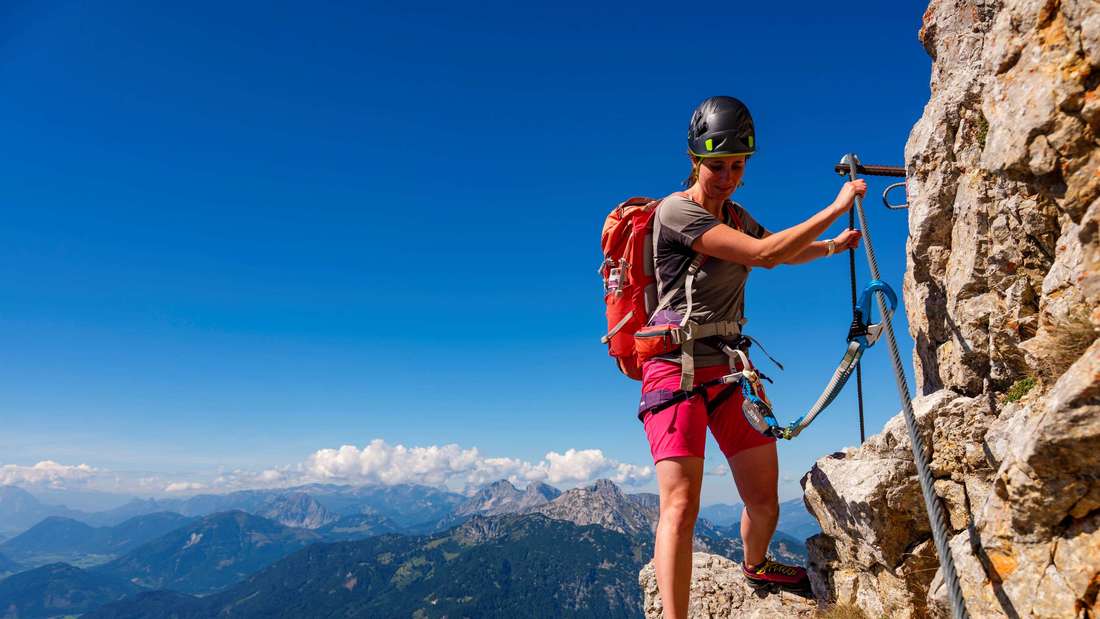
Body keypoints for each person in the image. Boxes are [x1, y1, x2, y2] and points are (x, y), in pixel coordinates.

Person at [642, 96, 864, 618]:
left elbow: (779, 251)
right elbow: (763, 254)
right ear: (695, 160)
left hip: (729, 369)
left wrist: (834, 245)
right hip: (674, 369)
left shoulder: (737, 216)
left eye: (738, 165)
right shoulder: (676, 212)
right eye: (717, 166)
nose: (728, 176)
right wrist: (834, 208)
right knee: (680, 505)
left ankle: (757, 563)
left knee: (763, 498)